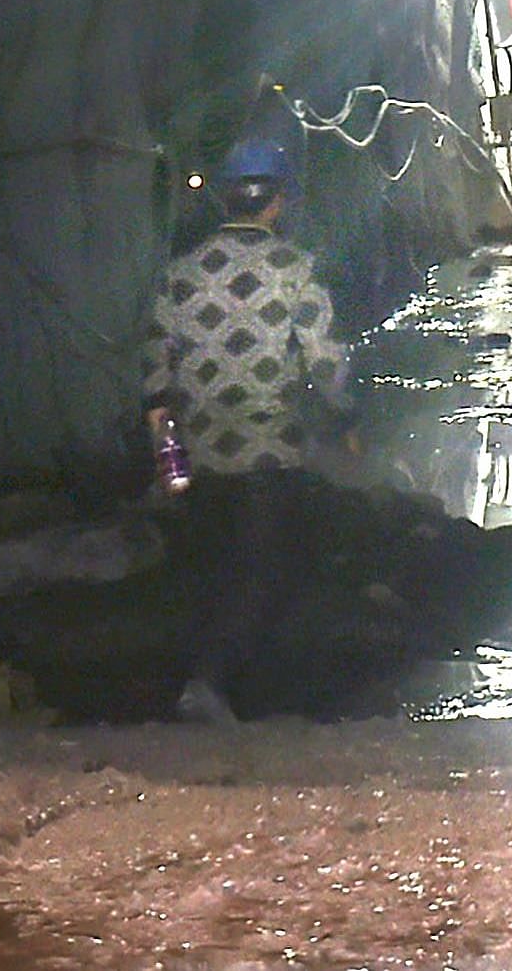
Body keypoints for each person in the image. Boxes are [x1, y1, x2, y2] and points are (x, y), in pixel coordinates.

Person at [142, 134, 348, 724]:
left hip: (201, 454)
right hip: (269, 453)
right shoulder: (295, 269)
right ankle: (213, 688)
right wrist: (346, 419)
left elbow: (157, 374)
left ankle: (205, 685)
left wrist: (167, 460)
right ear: (277, 201)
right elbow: (324, 365)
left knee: (212, 570)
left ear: (225, 200)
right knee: (263, 574)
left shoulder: (181, 274)